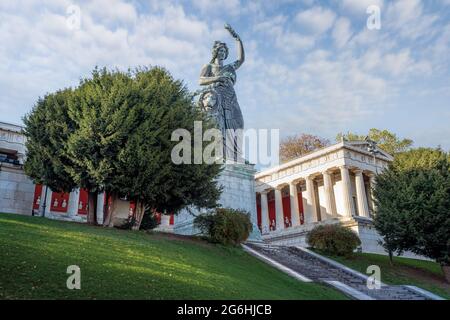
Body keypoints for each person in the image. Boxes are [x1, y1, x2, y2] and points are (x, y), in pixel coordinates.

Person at [198, 24, 245, 162]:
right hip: (217, 98)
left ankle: (235, 155)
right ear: (215, 52)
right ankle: (219, 154)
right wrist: (217, 77)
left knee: (238, 124)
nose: (223, 53)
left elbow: (241, 60)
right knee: (220, 126)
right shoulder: (208, 66)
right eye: (220, 50)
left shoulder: (230, 67)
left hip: (231, 98)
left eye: (225, 51)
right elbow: (200, 80)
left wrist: (237, 39)